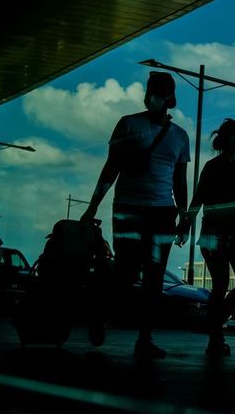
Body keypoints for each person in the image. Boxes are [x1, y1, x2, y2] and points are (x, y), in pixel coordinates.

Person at [81, 71, 190, 359]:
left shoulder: (179, 136)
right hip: (129, 208)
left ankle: (144, 338)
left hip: (161, 212)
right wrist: (93, 205)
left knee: (154, 278)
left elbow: (180, 181)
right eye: (151, 92)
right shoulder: (128, 124)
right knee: (126, 272)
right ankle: (103, 316)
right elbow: (110, 168)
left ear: (166, 99)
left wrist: (184, 216)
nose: (151, 98)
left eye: (157, 93)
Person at [176, 118, 235, 357]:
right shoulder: (217, 167)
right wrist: (185, 225)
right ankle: (215, 335)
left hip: (231, 233)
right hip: (219, 234)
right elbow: (198, 199)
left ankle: (213, 326)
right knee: (226, 284)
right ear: (225, 139)